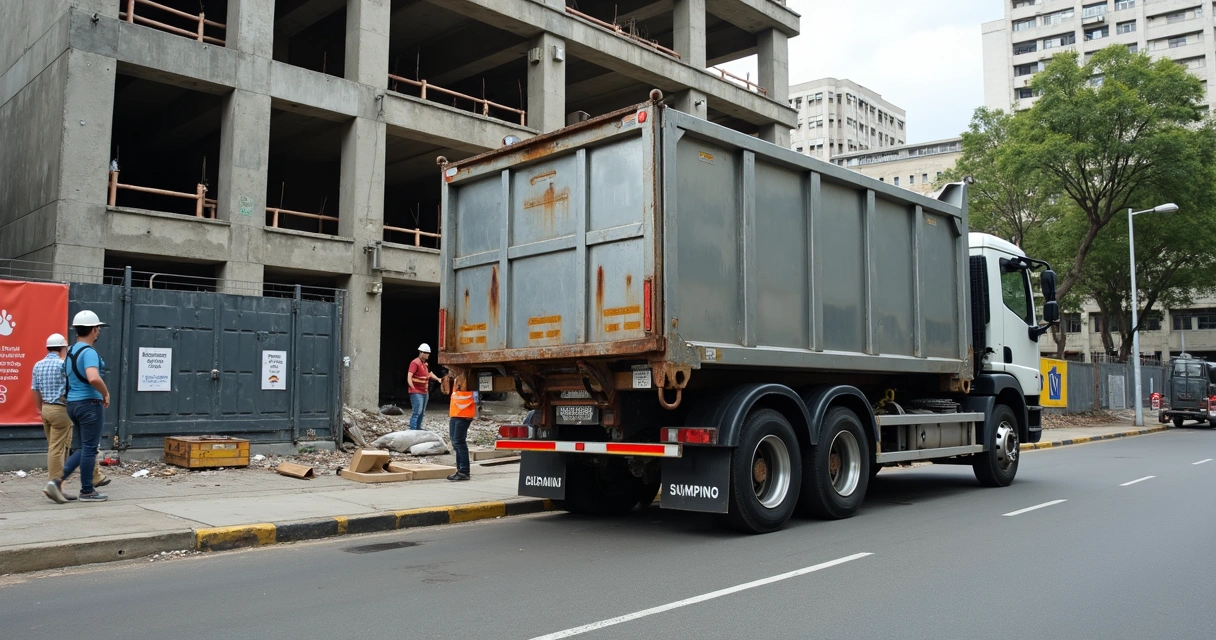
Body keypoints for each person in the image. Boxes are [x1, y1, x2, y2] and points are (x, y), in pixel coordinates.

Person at [44, 311, 111, 504]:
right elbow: (93, 377)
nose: (99, 331)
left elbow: (66, 374)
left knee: (83, 448)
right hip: (89, 404)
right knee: (90, 448)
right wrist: (105, 393)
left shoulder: (70, 351)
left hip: (72, 405)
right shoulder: (89, 352)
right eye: (98, 328)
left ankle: (57, 482)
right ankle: (86, 491)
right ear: (93, 330)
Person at [447, 383, 477, 482]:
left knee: (459, 442)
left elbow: (474, 396)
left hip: (464, 414)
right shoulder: (457, 379)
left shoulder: (468, 379)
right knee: (455, 442)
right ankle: (460, 470)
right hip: (456, 413)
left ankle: (464, 471)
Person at [407, 343, 440, 431]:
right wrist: (413, 388)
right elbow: (409, 376)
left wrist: (438, 379)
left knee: (422, 412)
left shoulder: (425, 364)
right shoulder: (415, 363)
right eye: (426, 353)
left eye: (428, 353)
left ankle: (418, 429)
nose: (428, 355)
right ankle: (412, 429)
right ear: (421, 352)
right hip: (417, 392)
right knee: (417, 412)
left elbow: (429, 374)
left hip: (424, 392)